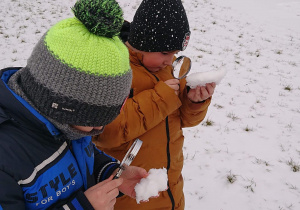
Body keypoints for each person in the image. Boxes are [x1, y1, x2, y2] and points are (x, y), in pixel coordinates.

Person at [0, 0, 149, 209]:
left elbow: (78, 154)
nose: (98, 129)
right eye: (93, 121)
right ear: (59, 106)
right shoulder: (6, 157)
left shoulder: (69, 128)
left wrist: (109, 171)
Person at [92, 0, 216, 209]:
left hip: (170, 187)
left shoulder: (168, 69)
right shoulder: (115, 72)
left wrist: (195, 102)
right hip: (132, 192)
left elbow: (182, 120)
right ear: (144, 43)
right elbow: (105, 133)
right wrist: (160, 99)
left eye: (175, 53)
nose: (171, 60)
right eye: (165, 53)